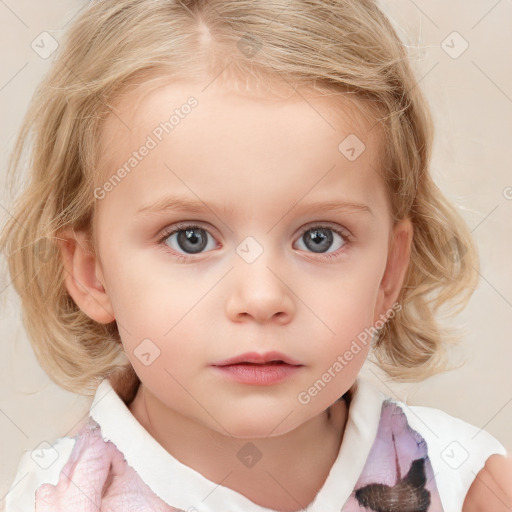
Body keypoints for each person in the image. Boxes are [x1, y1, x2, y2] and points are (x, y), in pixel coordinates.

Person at [1, 0, 510, 511]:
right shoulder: (54, 498)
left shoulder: (463, 483)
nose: (262, 297)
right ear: (93, 274)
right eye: (190, 238)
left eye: (319, 238)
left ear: (389, 273)